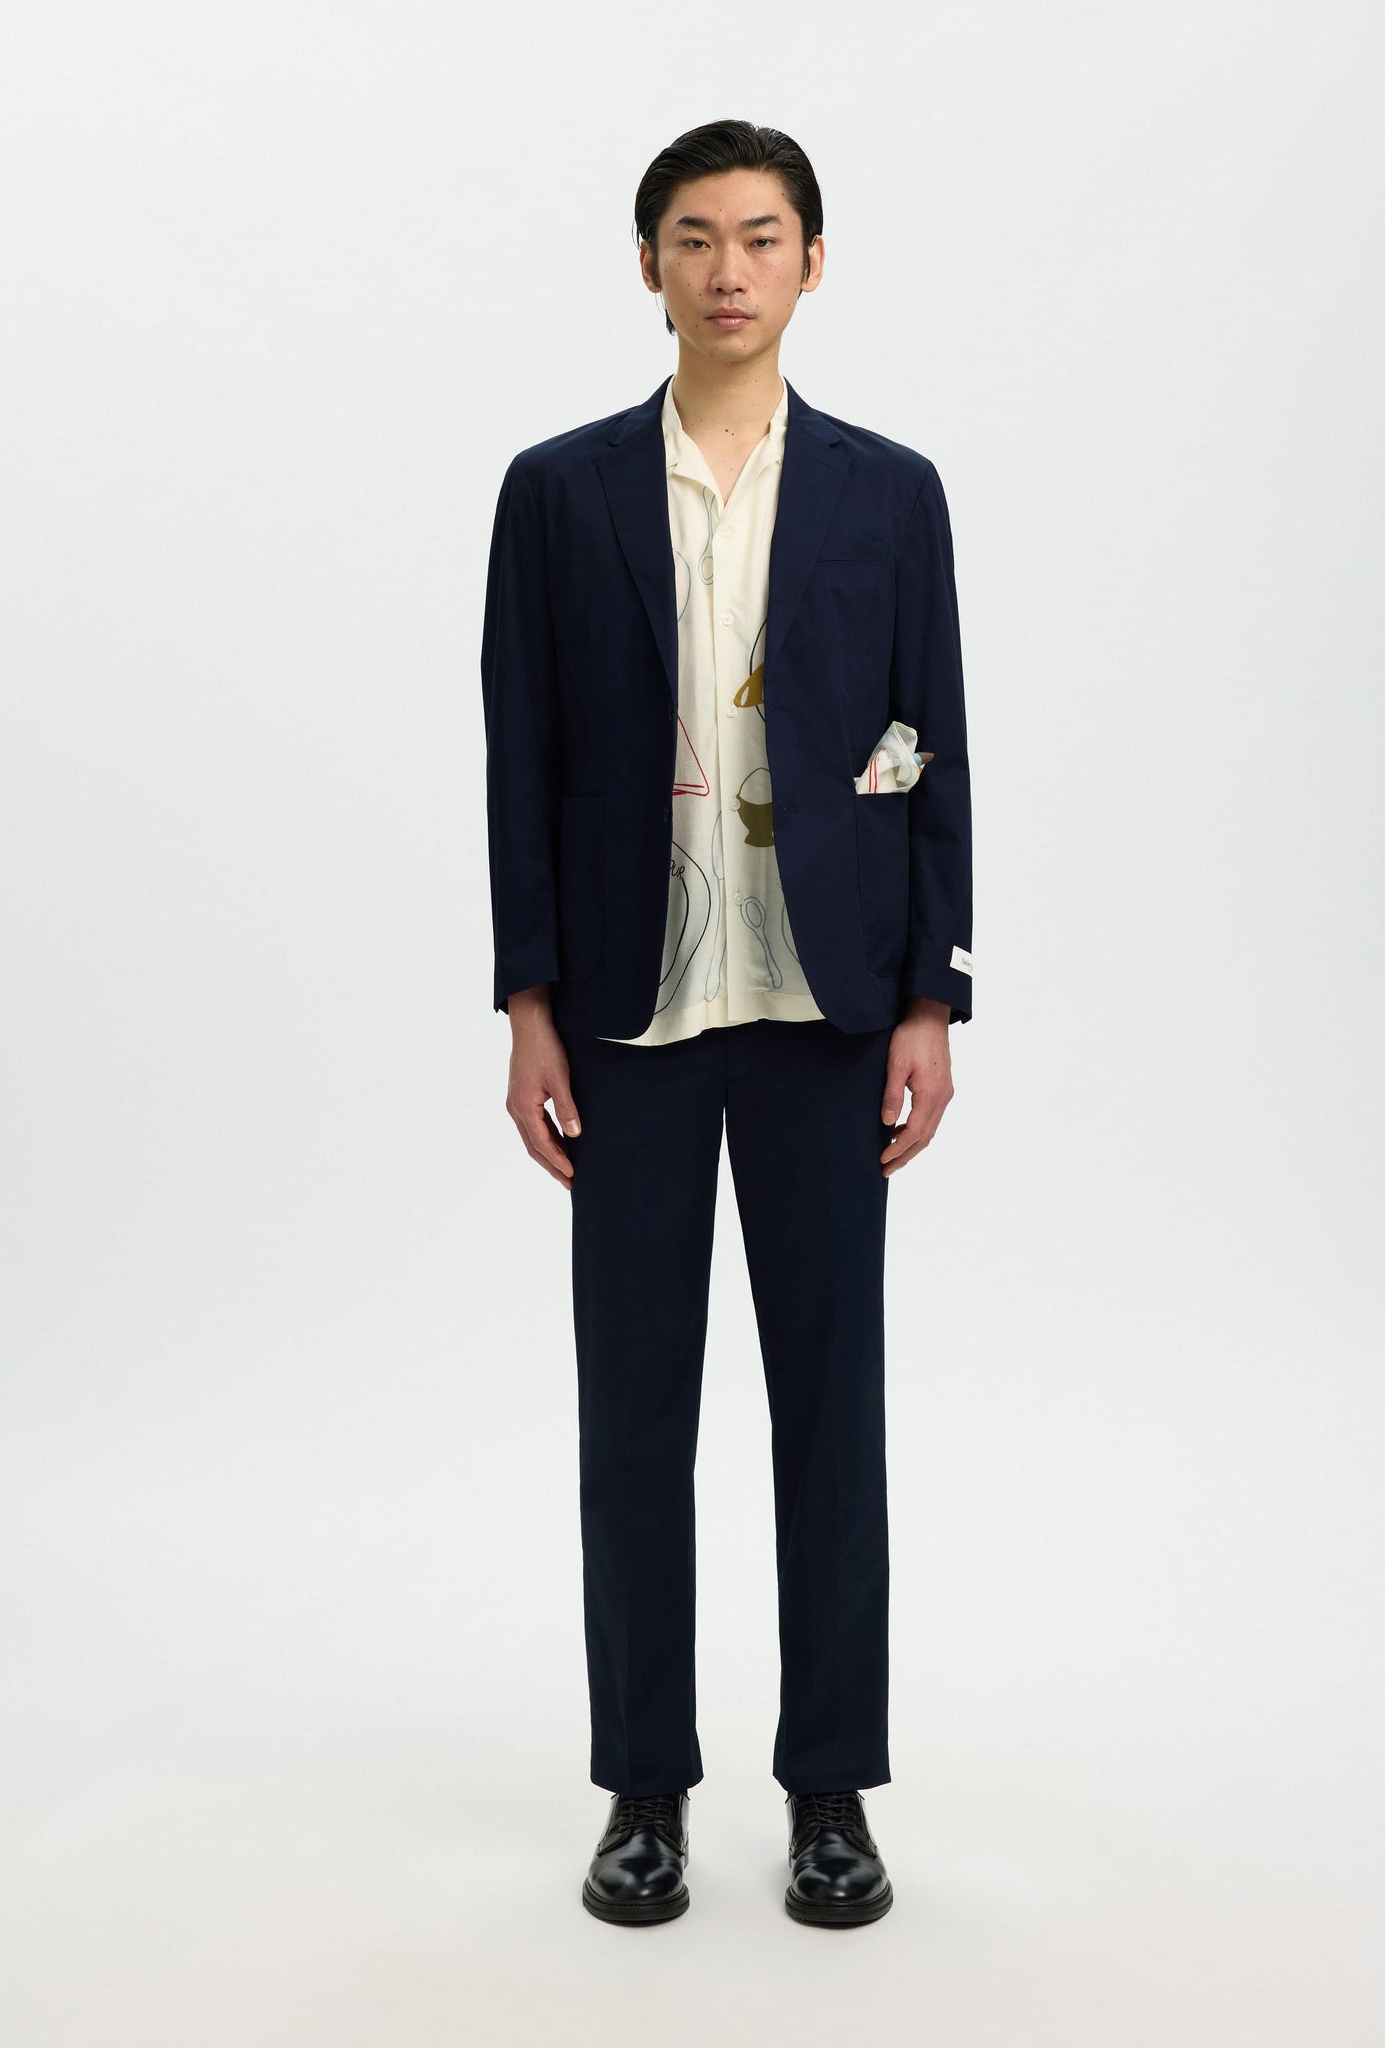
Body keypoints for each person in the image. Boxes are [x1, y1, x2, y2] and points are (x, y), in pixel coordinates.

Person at [480, 117, 973, 1927]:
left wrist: (930, 992)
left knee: (832, 1413)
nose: (729, 268)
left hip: (827, 1012)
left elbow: (927, 741)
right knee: (634, 1419)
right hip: (629, 1018)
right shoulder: (557, 493)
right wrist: (528, 1003)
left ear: (812, 262)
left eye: (762, 237)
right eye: (695, 237)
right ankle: (644, 1790)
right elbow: (520, 757)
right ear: (650, 266)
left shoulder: (888, 493)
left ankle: (831, 1790)